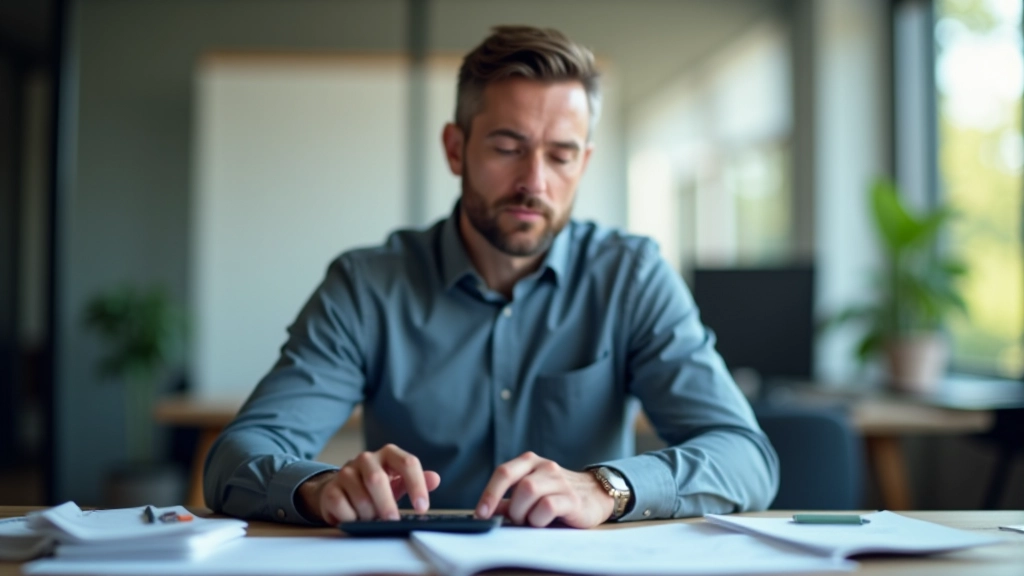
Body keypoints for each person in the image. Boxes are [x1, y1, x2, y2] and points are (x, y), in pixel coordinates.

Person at [204, 25, 779, 529]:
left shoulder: (632, 277)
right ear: (456, 149)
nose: (535, 181)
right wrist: (317, 487)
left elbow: (746, 457)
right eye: (508, 147)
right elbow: (236, 457)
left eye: (561, 156)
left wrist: (607, 487)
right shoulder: (366, 286)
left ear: (584, 162)